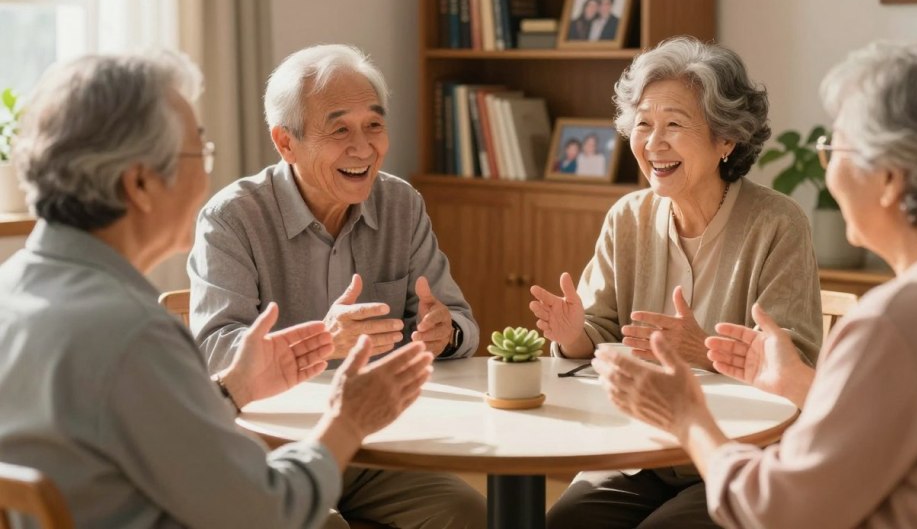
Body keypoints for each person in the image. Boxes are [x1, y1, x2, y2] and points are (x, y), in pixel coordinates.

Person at [594, 40, 917, 528]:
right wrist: (800, 384)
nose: (828, 169)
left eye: (833, 147)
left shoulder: (891, 324)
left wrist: (688, 419)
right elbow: (900, 427)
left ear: (889, 177)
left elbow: (773, 512)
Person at [0, 51, 435, 529]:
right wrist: (349, 420)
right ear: (141, 183)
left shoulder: (14, 287)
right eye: (199, 152)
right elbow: (267, 513)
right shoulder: (132, 333)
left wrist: (234, 388)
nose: (207, 176)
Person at [187, 43, 485, 528]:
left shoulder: (400, 205)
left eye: (374, 125)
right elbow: (214, 352)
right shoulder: (232, 218)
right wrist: (323, 340)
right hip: (268, 445)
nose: (364, 148)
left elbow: (462, 324)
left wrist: (444, 331)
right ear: (285, 143)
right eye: (339, 129)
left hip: (371, 441)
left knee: (466, 513)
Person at [533, 36, 822, 529]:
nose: (652, 142)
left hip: (739, 453)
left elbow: (793, 366)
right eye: (643, 123)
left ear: (726, 138)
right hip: (639, 447)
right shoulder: (628, 217)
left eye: (674, 124)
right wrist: (572, 334)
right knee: (566, 522)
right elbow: (601, 333)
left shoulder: (778, 223)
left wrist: (704, 349)